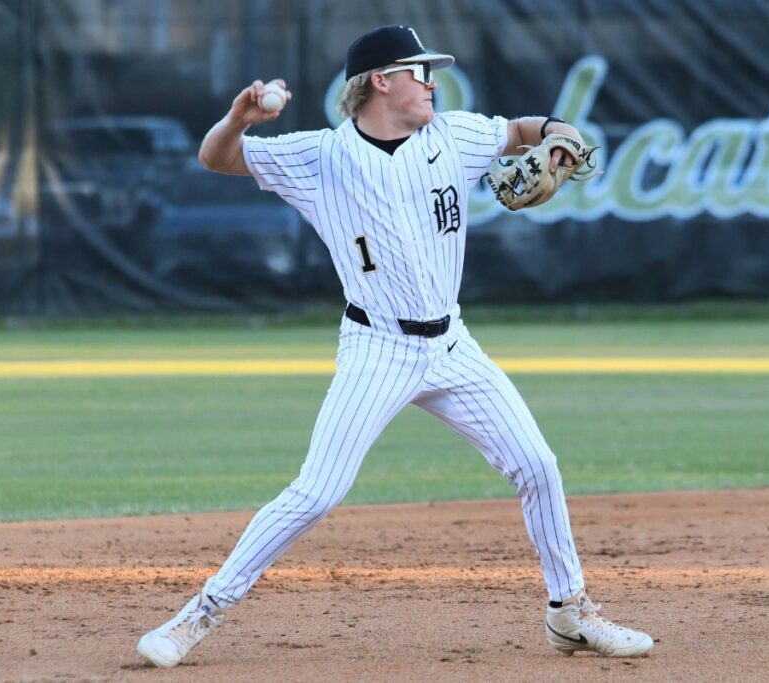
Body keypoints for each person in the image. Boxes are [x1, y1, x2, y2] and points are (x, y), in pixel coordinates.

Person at [136, 24, 654, 668]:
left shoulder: (454, 136)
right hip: (376, 348)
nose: (432, 82)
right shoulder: (320, 155)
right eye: (420, 71)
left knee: (537, 466)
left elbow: (524, 128)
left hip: (453, 345)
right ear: (382, 80)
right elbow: (217, 158)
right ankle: (198, 615)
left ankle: (570, 614)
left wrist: (558, 133)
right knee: (317, 492)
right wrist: (240, 117)